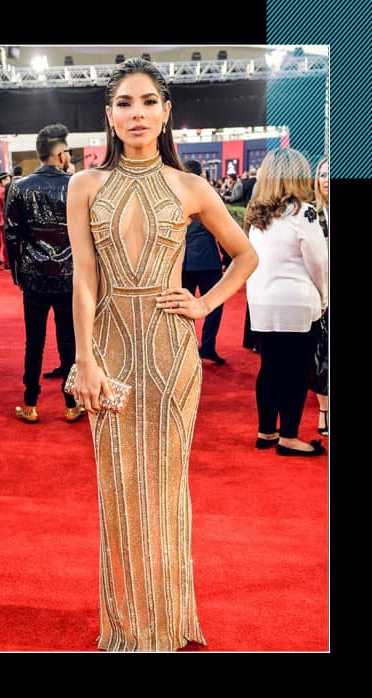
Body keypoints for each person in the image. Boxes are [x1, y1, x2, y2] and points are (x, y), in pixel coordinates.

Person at [67, 58, 257, 651]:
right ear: (109, 115)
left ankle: (169, 622)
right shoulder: (84, 185)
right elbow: (84, 279)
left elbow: (245, 255)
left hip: (172, 355)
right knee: (118, 488)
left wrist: (204, 305)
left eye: (148, 102)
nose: (137, 114)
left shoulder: (190, 187)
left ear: (166, 112)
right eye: (125, 103)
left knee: (167, 487)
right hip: (109, 351)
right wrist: (85, 359)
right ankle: (128, 626)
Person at [245, 148, 328, 457]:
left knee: (269, 367)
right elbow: (318, 262)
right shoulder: (304, 212)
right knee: (296, 371)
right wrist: (324, 296)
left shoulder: (257, 215)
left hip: (262, 302)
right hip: (296, 302)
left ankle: (266, 431)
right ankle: (289, 437)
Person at [5, 124, 82, 424]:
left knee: (34, 342)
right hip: (68, 275)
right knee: (69, 340)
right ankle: (71, 404)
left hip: (33, 275)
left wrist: (18, 274)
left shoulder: (20, 187)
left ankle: (30, 404)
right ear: (61, 154)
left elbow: (12, 235)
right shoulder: (75, 185)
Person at [180, 159, 228, 364]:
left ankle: (187, 351)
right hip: (208, 260)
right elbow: (222, 229)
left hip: (183, 261)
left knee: (183, 309)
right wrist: (227, 257)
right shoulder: (208, 195)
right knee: (215, 303)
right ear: (201, 175)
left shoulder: (173, 195)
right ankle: (207, 346)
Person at [311, 157, 329, 435]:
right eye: (323, 174)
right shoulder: (311, 212)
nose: (326, 179)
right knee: (322, 356)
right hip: (321, 293)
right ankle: (324, 411)